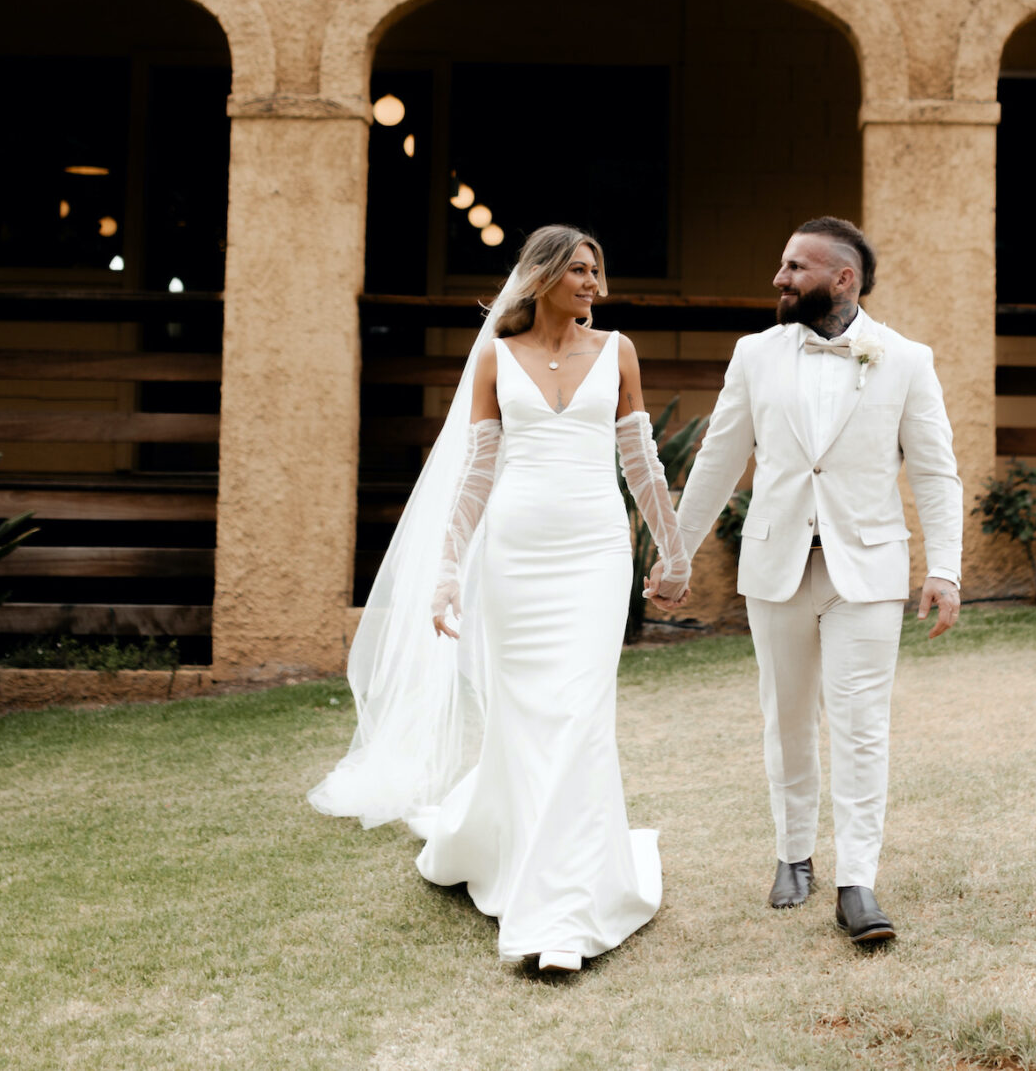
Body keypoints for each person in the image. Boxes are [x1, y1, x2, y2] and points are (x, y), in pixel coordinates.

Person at [309, 225, 689, 972]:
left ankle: (562, 917)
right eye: (579, 270)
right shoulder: (495, 356)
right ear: (541, 276)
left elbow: (641, 462)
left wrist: (673, 552)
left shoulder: (619, 352)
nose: (593, 283)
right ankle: (514, 852)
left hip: (595, 555)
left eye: (597, 271)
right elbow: (477, 471)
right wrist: (448, 569)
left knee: (580, 715)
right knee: (525, 717)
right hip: (516, 558)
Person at [649, 216, 963, 945]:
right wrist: (676, 555)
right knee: (787, 718)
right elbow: (718, 460)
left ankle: (858, 882)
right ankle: (794, 856)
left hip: (867, 572)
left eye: (796, 267)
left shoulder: (906, 360)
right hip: (777, 566)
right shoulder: (754, 354)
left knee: (861, 725)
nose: (779, 277)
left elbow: (935, 471)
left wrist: (944, 569)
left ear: (842, 279)